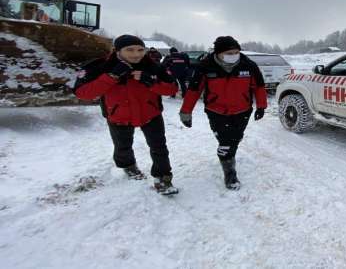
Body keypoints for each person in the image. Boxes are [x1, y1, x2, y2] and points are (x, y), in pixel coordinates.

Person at [73, 34, 179, 195]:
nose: (136, 54)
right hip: (118, 116)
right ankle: (128, 166)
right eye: (130, 50)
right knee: (123, 147)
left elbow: (172, 88)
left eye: (140, 50)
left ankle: (163, 178)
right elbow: (82, 93)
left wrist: (150, 80)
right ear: (117, 50)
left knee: (159, 148)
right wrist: (112, 76)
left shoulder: (153, 66)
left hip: (150, 114)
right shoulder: (101, 66)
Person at [179, 36, 267, 190]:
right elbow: (194, 90)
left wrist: (261, 106)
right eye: (229, 53)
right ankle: (229, 171)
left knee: (236, 137)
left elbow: (259, 87)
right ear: (218, 53)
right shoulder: (205, 66)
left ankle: (228, 154)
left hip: (242, 110)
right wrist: (186, 112)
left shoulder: (249, 65)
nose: (233, 55)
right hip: (216, 111)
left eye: (236, 52)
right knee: (225, 140)